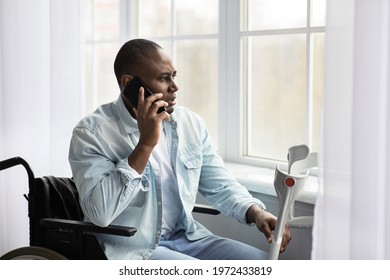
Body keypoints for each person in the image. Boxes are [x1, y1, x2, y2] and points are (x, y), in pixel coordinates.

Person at [68, 38, 291, 260]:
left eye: (174, 76)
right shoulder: (91, 134)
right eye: (164, 78)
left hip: (188, 238)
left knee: (264, 264)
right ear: (129, 83)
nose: (175, 87)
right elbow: (100, 213)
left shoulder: (189, 123)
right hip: (134, 249)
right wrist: (145, 144)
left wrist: (256, 212)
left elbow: (220, 184)